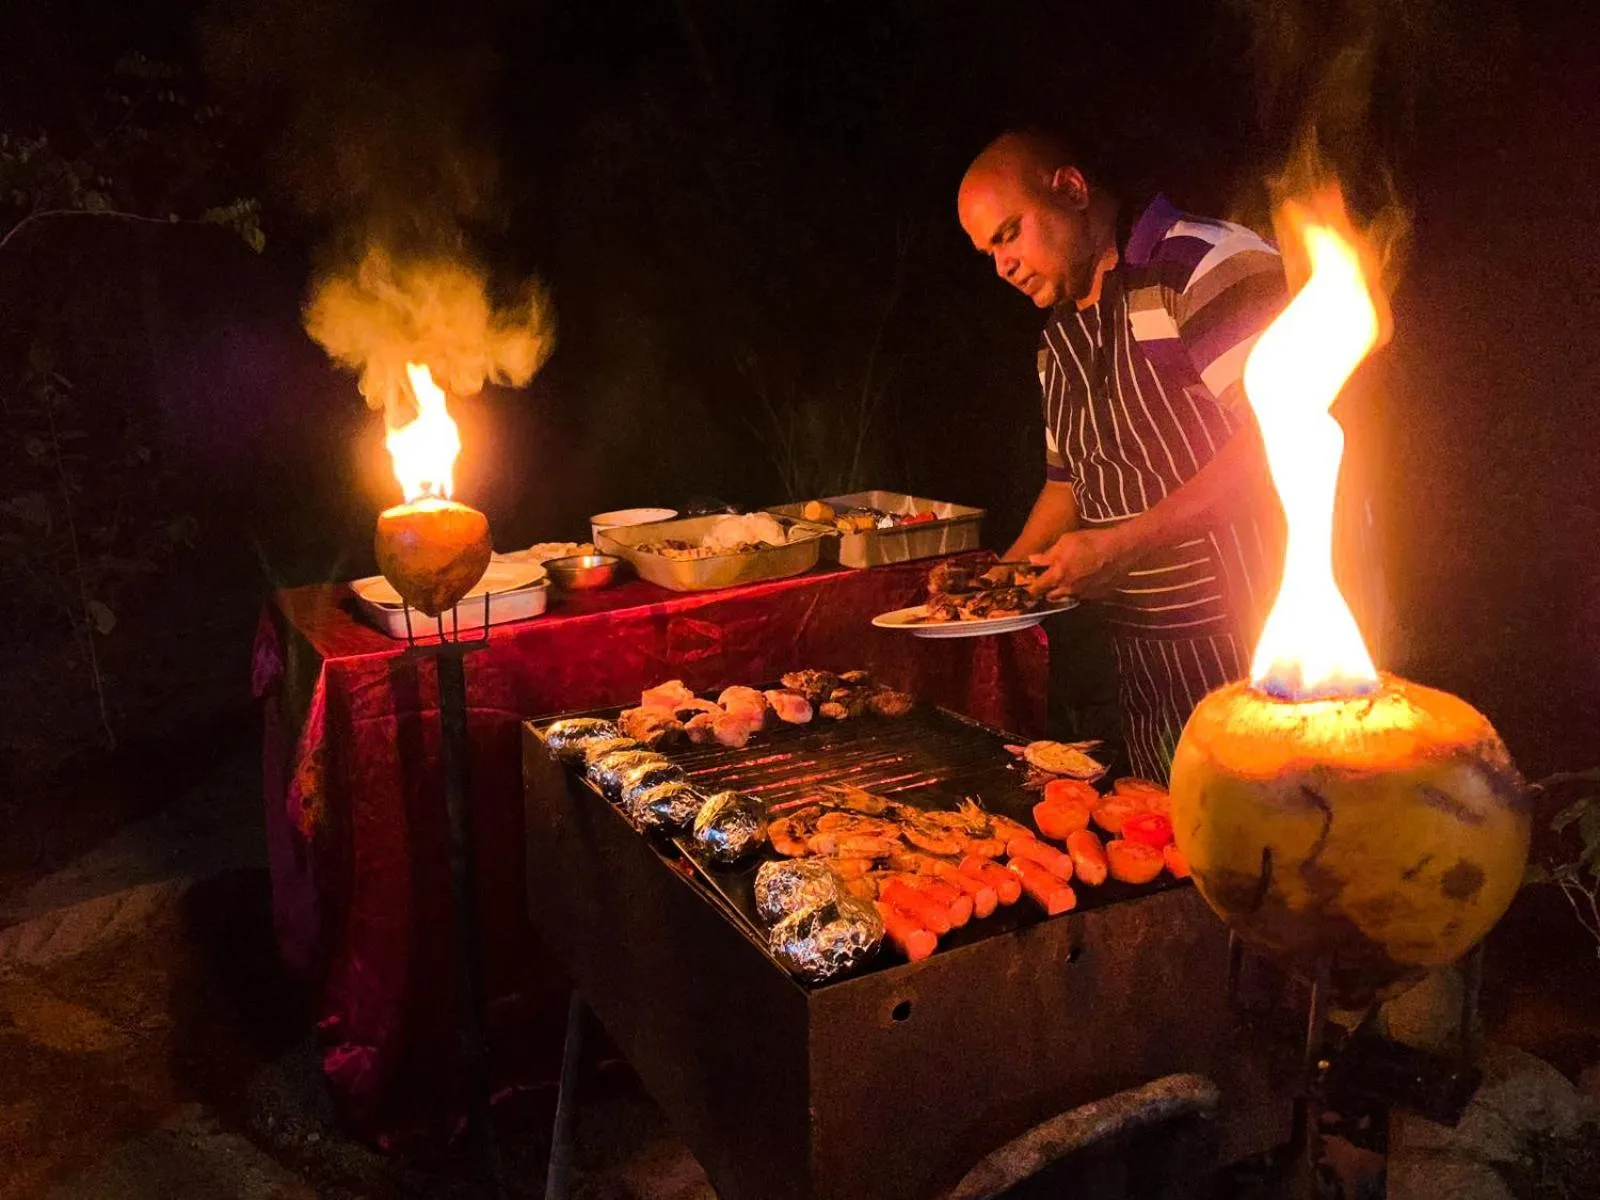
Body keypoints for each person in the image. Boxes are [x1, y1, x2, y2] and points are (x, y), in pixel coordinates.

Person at [957, 130, 1289, 782]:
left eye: (1010, 234)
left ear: (1073, 190)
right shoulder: (1057, 339)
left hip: (1258, 651)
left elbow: (1280, 440)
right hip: (1148, 667)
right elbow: (1067, 486)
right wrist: (999, 584)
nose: (1002, 266)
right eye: (987, 252)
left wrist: (1125, 544)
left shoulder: (1198, 265)